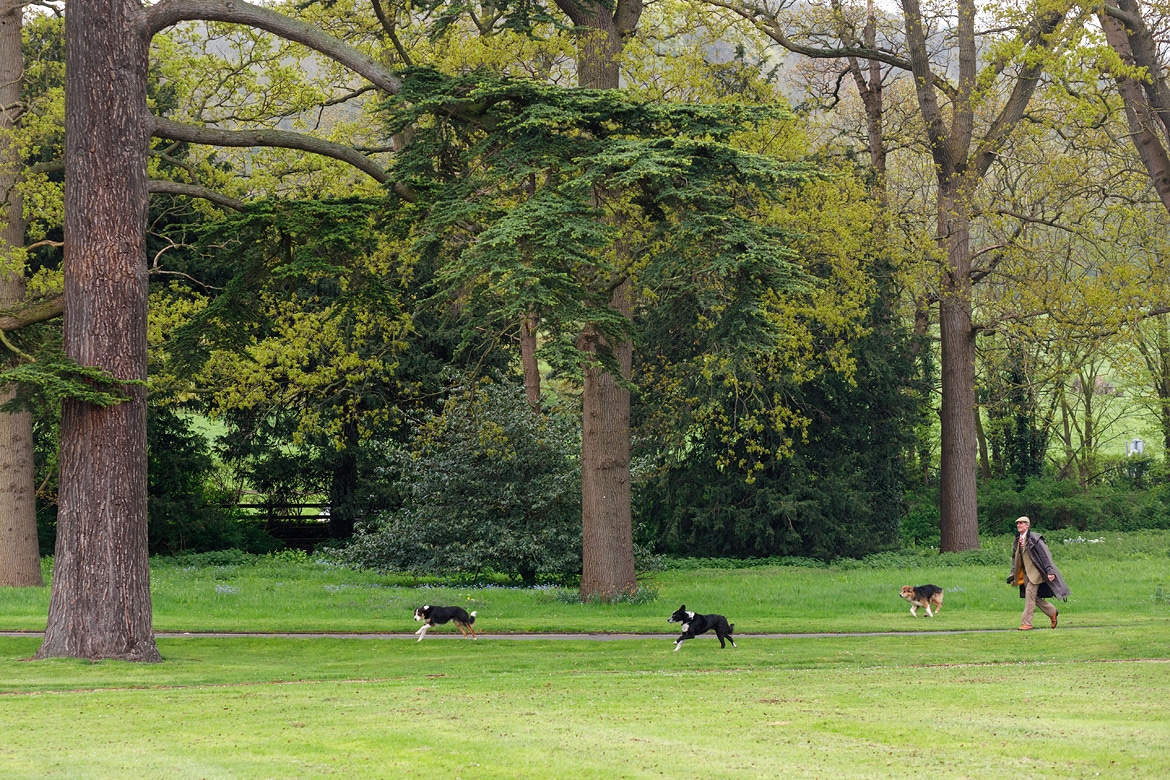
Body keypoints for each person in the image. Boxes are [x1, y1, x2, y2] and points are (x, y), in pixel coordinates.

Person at [1007, 516, 1069, 630]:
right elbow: (1014, 558)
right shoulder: (1017, 540)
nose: (1019, 525)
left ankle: (1027, 623)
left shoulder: (1035, 538)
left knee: (1030, 596)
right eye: (1018, 523)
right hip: (1025, 574)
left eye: (1021, 523)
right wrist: (1012, 573)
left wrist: (1050, 571)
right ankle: (1052, 612)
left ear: (1027, 525)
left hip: (1036, 573)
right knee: (1032, 596)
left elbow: (1045, 556)